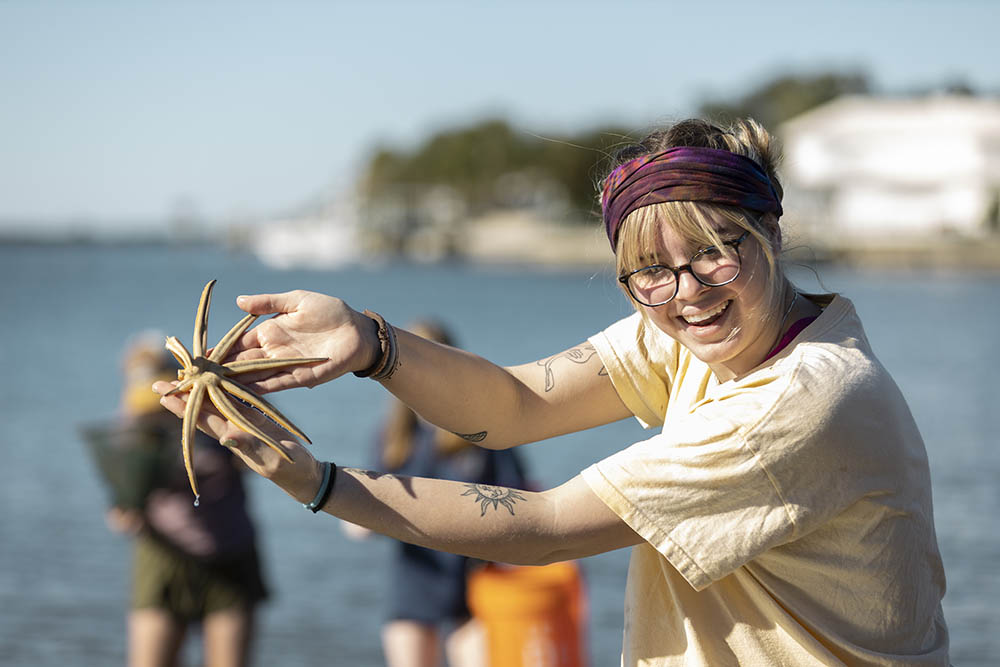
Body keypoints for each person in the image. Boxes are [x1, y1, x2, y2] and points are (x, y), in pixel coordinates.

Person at [154, 118, 949, 665]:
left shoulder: (802, 400)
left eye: (716, 250)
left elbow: (543, 525)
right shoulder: (692, 331)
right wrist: (371, 342)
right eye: (650, 270)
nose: (687, 291)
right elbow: (511, 406)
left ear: (770, 232)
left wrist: (317, 482)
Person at [344, 320, 529, 667]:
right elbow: (356, 524)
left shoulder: (486, 433)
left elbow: (525, 503)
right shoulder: (392, 439)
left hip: (477, 590)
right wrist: (353, 510)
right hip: (413, 586)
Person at [87, 333, 268, 667]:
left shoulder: (214, 412)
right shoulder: (130, 429)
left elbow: (268, 456)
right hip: (163, 555)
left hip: (230, 553)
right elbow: (121, 500)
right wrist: (123, 514)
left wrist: (237, 432)